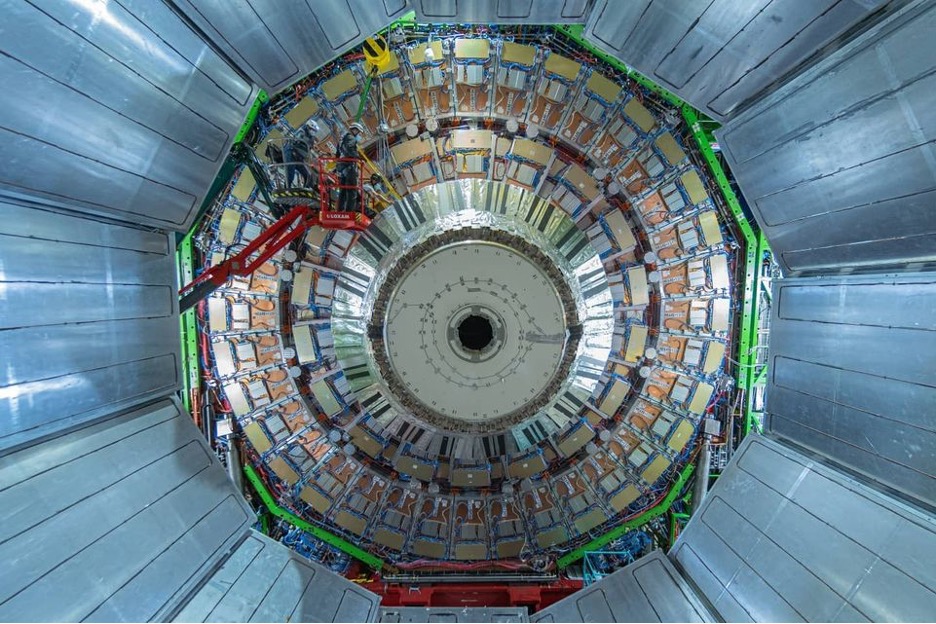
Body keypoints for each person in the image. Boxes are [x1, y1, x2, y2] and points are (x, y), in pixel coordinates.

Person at [336, 122, 364, 211]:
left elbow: (337, 154)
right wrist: (358, 157)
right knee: (352, 191)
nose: (358, 134)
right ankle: (349, 212)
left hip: (342, 168)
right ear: (354, 130)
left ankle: (340, 210)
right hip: (349, 167)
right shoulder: (351, 138)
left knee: (343, 191)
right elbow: (350, 149)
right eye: (358, 132)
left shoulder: (342, 139)